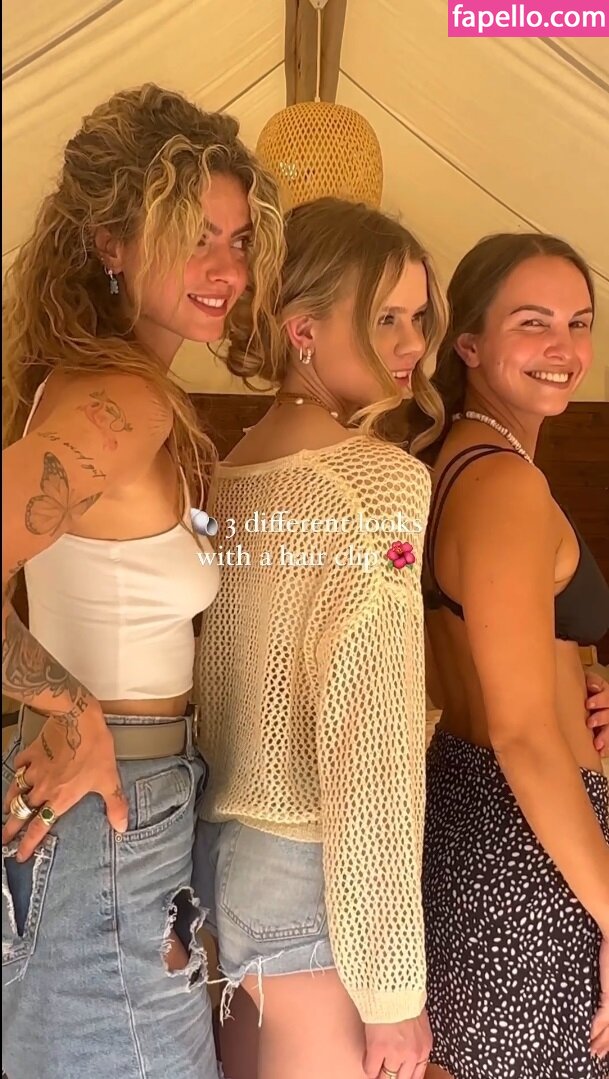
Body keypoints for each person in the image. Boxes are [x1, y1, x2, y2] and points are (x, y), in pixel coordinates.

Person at [1, 83, 284, 1079]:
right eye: (192, 236)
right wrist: (70, 706)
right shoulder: (121, 400)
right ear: (111, 243)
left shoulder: (116, 386)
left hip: (121, 797)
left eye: (237, 239)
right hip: (109, 799)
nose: (227, 268)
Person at [194, 196, 447, 1079]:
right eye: (383, 318)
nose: (413, 344)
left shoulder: (225, 477)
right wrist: (392, 991)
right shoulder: (377, 485)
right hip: (317, 883)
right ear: (301, 330)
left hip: (220, 867)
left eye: (419, 316)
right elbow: (371, 742)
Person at [407, 233, 609, 1079]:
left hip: (478, 818)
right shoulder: (502, 486)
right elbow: (523, 736)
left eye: (578, 322)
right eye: (533, 322)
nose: (562, 347)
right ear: (468, 343)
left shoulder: (445, 463)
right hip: (532, 850)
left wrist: (582, 674)